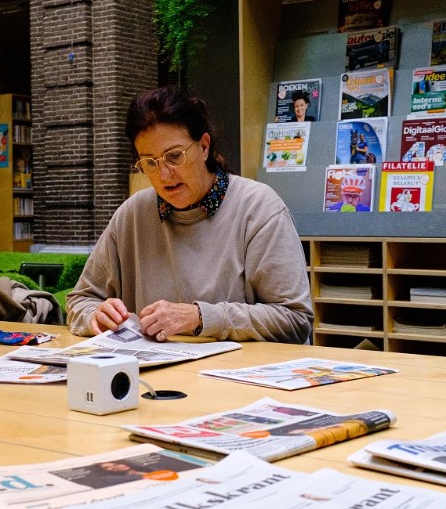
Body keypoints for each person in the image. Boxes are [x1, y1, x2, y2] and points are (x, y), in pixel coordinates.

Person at [66, 85, 313, 344]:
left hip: (239, 379)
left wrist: (201, 317)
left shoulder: (259, 209)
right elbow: (81, 300)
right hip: (156, 377)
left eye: (174, 156)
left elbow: (294, 320)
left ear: (204, 146)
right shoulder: (132, 215)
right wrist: (95, 315)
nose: (163, 175)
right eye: (150, 163)